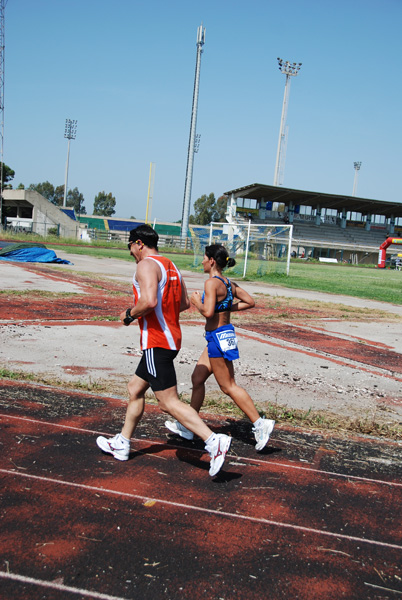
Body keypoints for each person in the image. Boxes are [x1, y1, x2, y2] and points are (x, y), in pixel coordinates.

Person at [96, 225, 231, 477]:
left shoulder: (146, 265)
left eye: (130, 247)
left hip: (156, 341)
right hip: (170, 338)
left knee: (168, 402)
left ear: (138, 243)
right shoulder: (171, 264)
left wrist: (129, 315)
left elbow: (148, 301)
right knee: (135, 389)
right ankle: (122, 443)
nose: (130, 252)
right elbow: (182, 304)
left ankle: (213, 441)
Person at [165, 244, 275, 451]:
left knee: (228, 386)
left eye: (205, 258)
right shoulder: (228, 283)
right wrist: (225, 307)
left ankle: (260, 424)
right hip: (221, 336)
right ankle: (188, 426)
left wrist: (197, 302)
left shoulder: (211, 283)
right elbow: (250, 302)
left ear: (212, 261)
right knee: (197, 379)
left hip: (217, 337)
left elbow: (207, 313)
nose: (202, 261)